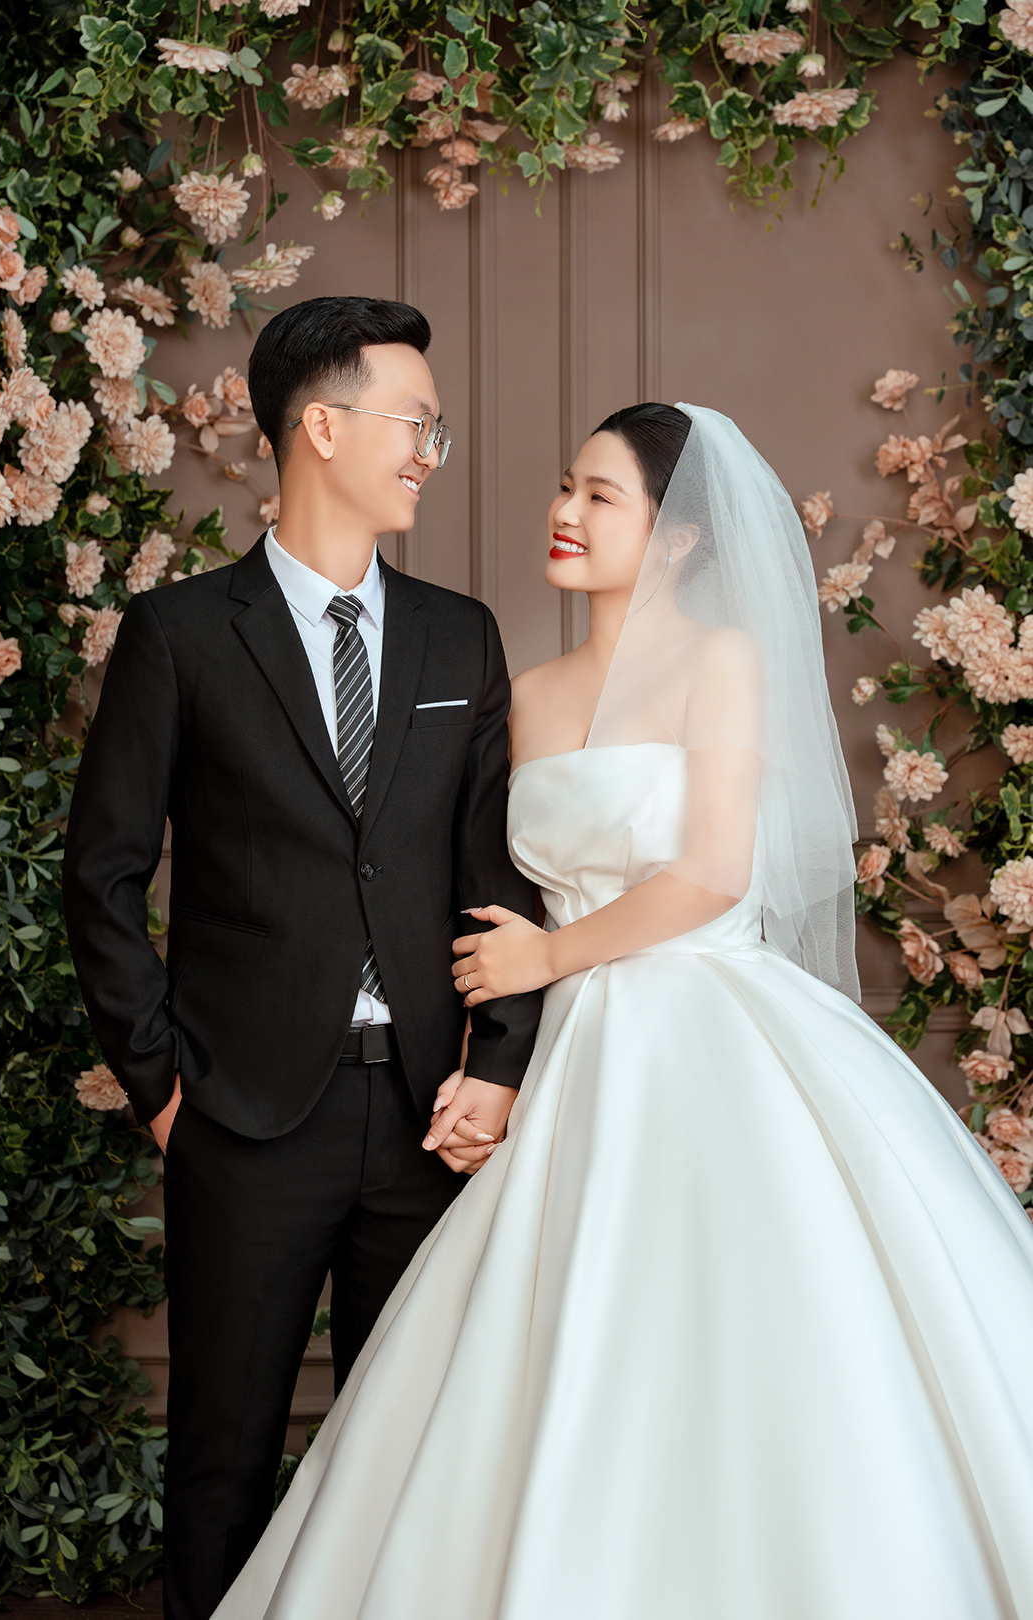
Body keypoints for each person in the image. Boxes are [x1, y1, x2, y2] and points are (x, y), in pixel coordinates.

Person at [211, 400, 1033, 1620]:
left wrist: (549, 958)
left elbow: (711, 875)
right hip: (571, 1048)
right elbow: (476, 890)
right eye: (565, 486)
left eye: (602, 497)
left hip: (705, 1028)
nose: (565, 512)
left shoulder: (720, 662)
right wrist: (497, 1038)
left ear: (680, 535)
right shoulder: (527, 692)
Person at [61, 295, 542, 1620]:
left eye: (436, 430)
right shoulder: (178, 635)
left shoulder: (460, 635)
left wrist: (499, 1064)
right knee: (222, 1463)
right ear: (320, 428)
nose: (430, 453)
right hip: (242, 1116)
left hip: (430, 1116)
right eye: (414, 423)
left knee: (412, 1467)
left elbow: (496, 873)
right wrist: (165, 1092)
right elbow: (101, 878)